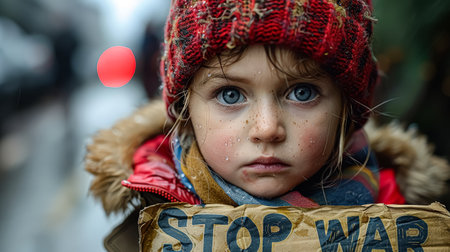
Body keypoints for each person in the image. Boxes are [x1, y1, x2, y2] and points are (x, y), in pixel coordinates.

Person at [85, 0, 450, 250]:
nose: (267, 129)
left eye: (303, 92)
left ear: (348, 110)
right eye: (230, 95)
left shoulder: (403, 216)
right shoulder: (155, 220)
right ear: (186, 112)